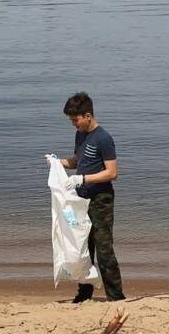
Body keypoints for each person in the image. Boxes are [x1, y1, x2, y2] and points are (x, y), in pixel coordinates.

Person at [57, 91, 125, 302]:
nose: (73, 124)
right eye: (71, 120)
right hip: (81, 200)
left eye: (75, 119)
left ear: (88, 115)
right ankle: (84, 294)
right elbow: (78, 161)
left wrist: (83, 179)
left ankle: (116, 297)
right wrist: (58, 163)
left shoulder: (104, 138)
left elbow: (113, 173)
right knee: (83, 248)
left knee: (104, 250)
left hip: (101, 200)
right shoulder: (81, 134)